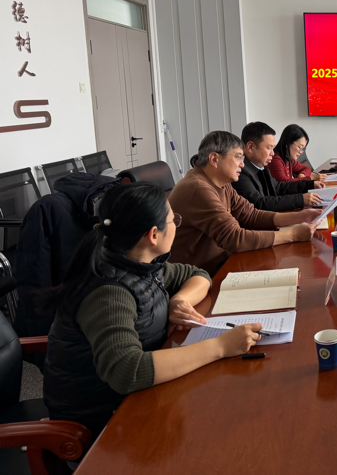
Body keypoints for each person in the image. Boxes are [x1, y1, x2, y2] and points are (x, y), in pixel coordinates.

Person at [43, 183, 264, 439]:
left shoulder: (138, 262)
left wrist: (179, 300)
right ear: (153, 235)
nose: (176, 225)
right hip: (101, 420)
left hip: (140, 394)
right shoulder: (109, 292)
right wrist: (220, 347)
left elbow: (197, 274)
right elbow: (127, 371)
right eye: (173, 220)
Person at [168, 131, 320, 274]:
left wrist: (299, 217)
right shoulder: (198, 188)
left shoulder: (222, 182)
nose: (242, 164)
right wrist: (293, 234)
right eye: (238, 157)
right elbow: (234, 238)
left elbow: (250, 215)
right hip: (201, 276)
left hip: (224, 262)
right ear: (214, 159)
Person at [232, 121, 325, 212]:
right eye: (269, 148)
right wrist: (300, 199)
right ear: (250, 147)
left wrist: (310, 184)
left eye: (273, 148)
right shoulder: (239, 172)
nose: (272, 153)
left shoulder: (262, 166)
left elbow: (278, 188)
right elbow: (259, 203)